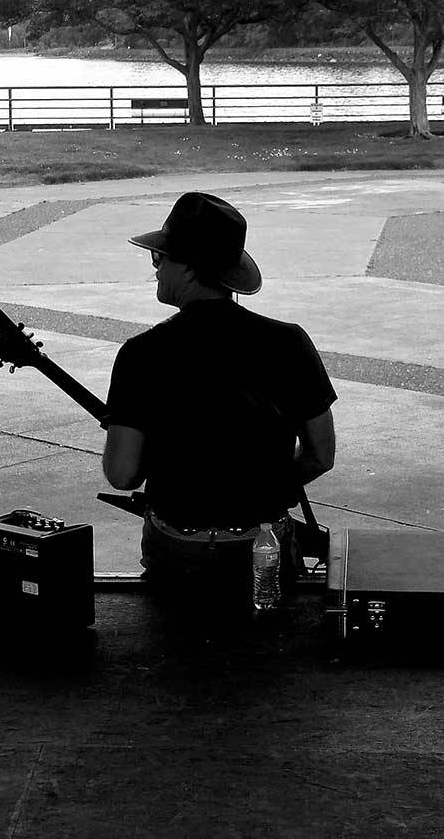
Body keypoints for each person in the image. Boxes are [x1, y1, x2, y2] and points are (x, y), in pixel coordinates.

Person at [102, 192, 337, 617]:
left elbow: (121, 474)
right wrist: (261, 487)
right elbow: (321, 455)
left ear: (189, 267)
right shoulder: (290, 343)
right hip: (263, 552)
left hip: (177, 556)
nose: (155, 265)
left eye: (162, 257)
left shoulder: (141, 355)